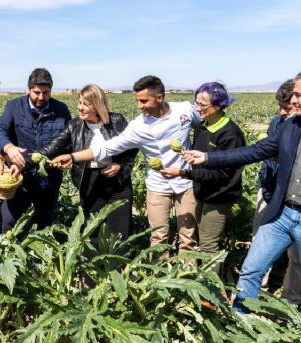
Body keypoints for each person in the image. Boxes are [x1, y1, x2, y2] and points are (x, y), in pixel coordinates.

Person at [184, 66, 301, 324]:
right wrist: (207, 157)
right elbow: (255, 151)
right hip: (282, 213)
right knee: (251, 271)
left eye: (298, 94)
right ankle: (241, 325)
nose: (292, 100)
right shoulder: (292, 125)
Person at [52, 75, 199, 256]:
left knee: (188, 236)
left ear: (160, 97)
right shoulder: (138, 126)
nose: (139, 106)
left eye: (143, 100)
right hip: (157, 184)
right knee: (158, 237)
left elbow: (204, 127)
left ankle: (188, 277)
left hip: (185, 181)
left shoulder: (184, 110)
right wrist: (73, 157)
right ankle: (162, 280)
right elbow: (106, 148)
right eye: (137, 101)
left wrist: (204, 158)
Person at [161, 82, 245, 276]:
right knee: (201, 238)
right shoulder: (202, 126)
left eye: (203, 105)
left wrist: (183, 173)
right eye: (196, 103)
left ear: (219, 104)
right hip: (203, 191)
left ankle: (213, 291)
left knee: (209, 244)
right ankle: (204, 281)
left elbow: (221, 175)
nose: (198, 109)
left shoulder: (230, 134)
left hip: (220, 196)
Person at [37, 84, 137, 242]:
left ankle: (117, 265)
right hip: (90, 181)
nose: (80, 108)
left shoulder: (117, 120)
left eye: (86, 104)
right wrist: (29, 159)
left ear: (97, 105)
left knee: (119, 233)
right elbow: (53, 147)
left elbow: (132, 147)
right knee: (91, 232)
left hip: (118, 182)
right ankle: (91, 266)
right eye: (80, 102)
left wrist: (120, 165)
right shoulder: (74, 126)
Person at [0, 68, 71, 231]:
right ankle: (8, 253)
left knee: (44, 223)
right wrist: (9, 148)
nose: (41, 97)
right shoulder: (14, 106)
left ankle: (38, 254)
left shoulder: (61, 110)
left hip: (48, 178)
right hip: (19, 176)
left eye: (46, 92)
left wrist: (63, 157)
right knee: (9, 221)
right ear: (28, 89)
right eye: (36, 92)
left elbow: (68, 140)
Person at [252, 79, 301, 304]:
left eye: (287, 108)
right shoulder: (276, 122)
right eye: (280, 106)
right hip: (270, 191)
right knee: (260, 246)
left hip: (297, 200)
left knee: (297, 254)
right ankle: (256, 294)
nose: (282, 112)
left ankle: (291, 300)